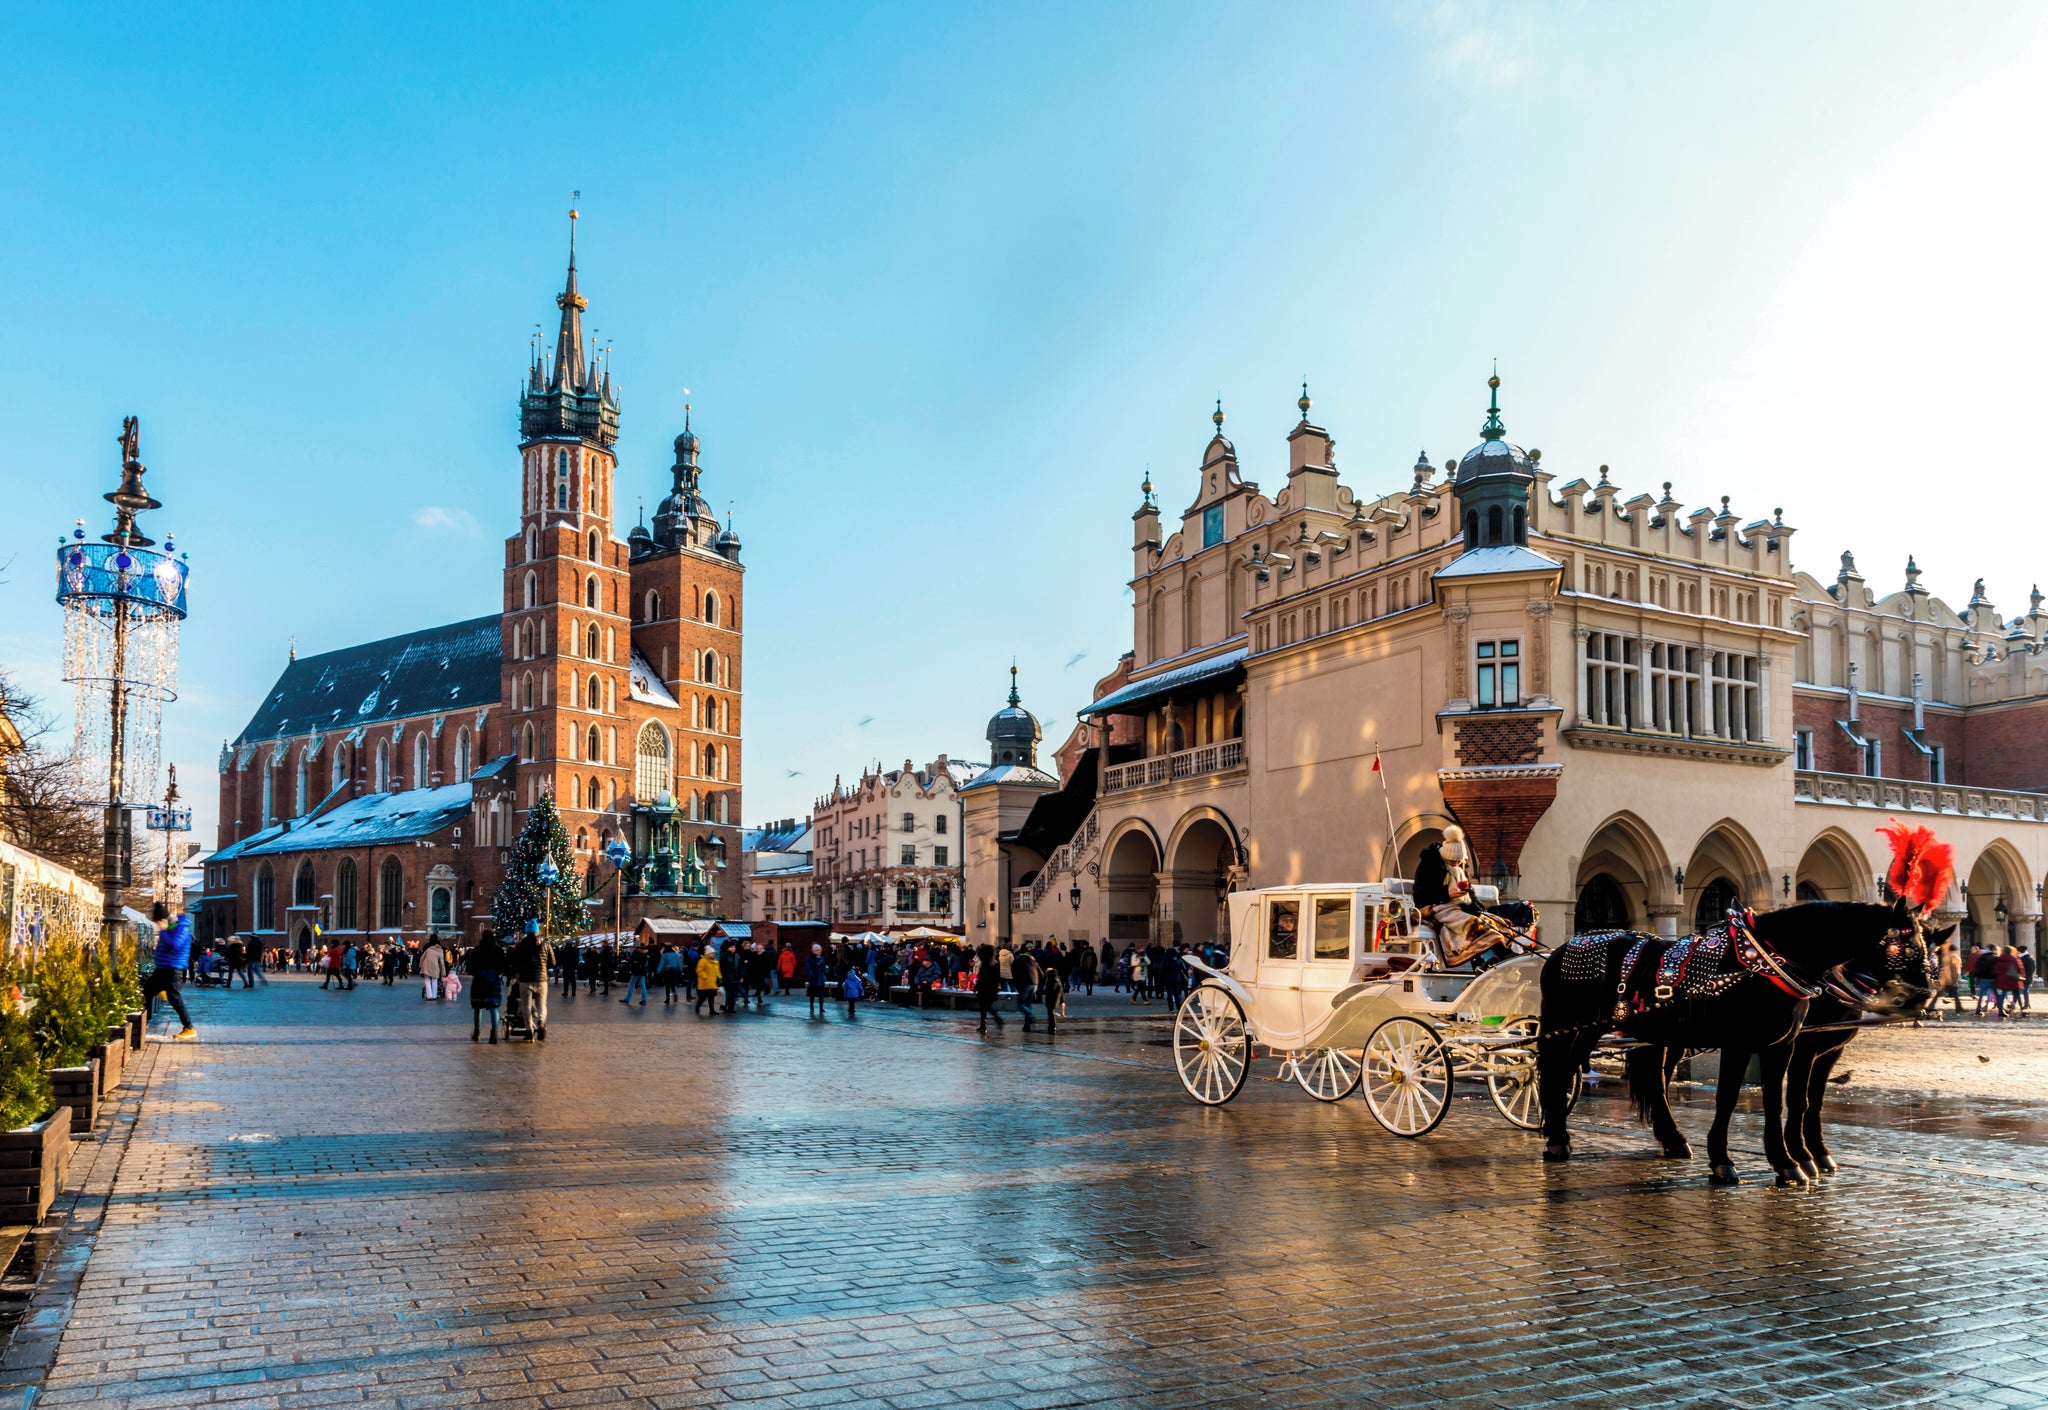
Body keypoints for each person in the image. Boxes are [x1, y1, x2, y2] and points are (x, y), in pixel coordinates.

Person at [145, 902, 199, 1040]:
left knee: (174, 998)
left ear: (163, 920)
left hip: (174, 968)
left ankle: (189, 1027)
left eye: (158, 923)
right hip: (164, 968)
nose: (158, 926)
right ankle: (144, 1022)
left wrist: (163, 931)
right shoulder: (171, 928)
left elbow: (175, 945)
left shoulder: (181, 928)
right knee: (147, 992)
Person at [508, 922, 552, 1041]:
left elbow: (515, 961)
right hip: (541, 979)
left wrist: (516, 973)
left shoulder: (521, 945)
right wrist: (543, 967)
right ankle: (541, 1022)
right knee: (541, 1004)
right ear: (537, 931)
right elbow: (553, 962)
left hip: (525, 979)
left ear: (527, 931)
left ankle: (529, 1031)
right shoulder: (545, 944)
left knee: (526, 1005)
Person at [468, 931, 506, 1043]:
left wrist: (476, 972)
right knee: (493, 1006)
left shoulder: (477, 950)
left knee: (477, 1007)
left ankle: (477, 1032)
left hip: (479, 980)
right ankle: (494, 1031)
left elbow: (470, 966)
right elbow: (503, 965)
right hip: (493, 979)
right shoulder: (497, 950)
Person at [974, 943, 1006, 1032]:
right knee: (986, 1007)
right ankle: (985, 1024)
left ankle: (989, 1022)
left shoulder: (986, 964)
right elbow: (996, 978)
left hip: (984, 989)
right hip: (991, 989)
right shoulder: (995, 963)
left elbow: (982, 978)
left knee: (984, 1007)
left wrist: (977, 987)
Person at [1013, 944, 1041, 1031]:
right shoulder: (1033, 961)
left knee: (1020, 1004)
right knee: (1028, 1004)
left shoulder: (1018, 961)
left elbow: (1015, 974)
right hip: (1035, 983)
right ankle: (1027, 1025)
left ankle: (1031, 1016)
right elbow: (1041, 973)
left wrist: (1018, 986)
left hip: (1025, 984)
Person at [1994, 944, 2026, 1018]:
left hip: (2002, 980)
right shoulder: (2014, 958)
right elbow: (2020, 968)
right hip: (2013, 980)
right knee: (2017, 994)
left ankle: (2000, 1010)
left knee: (2001, 996)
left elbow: (1996, 969)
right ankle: (2022, 1009)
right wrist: (2022, 976)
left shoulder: (2000, 958)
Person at [1039, 950, 1065, 1036]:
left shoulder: (1051, 981)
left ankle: (1052, 1026)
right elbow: (1062, 992)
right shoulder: (1058, 981)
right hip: (1055, 1000)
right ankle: (1052, 1026)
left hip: (1051, 1000)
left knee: (1051, 1014)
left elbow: (1048, 991)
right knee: (1051, 1013)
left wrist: (1041, 992)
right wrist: (1062, 1001)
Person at [1934, 941, 1963, 1017]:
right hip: (1950, 981)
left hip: (1948, 980)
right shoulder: (1955, 959)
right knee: (1955, 995)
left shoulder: (1948, 959)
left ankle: (1959, 1008)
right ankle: (1959, 1008)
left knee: (1940, 995)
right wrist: (1955, 980)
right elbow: (1956, 971)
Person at [620, 940, 650, 1006]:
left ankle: (627, 998)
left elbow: (631, 960)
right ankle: (644, 1000)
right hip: (643, 971)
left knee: (631, 984)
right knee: (643, 986)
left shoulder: (636, 952)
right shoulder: (645, 952)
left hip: (636, 971)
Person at [694, 945, 722, 1015]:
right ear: (707, 953)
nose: (712, 954)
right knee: (703, 998)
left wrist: (720, 978)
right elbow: (699, 970)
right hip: (705, 983)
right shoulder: (702, 961)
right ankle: (697, 1007)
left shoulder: (715, 962)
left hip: (713, 983)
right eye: (711, 953)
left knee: (711, 997)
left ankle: (712, 1010)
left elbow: (717, 971)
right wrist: (705, 976)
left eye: (713, 953)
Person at [804, 943, 830, 1018]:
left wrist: (825, 968)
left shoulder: (821, 957)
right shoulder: (810, 958)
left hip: (820, 978)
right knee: (812, 993)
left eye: (820, 950)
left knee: (821, 993)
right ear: (814, 950)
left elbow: (823, 965)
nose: (819, 951)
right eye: (818, 950)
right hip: (813, 978)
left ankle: (821, 1007)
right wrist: (811, 974)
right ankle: (811, 1006)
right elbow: (807, 967)